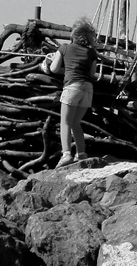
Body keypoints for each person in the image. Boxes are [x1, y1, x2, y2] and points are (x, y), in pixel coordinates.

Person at [41, 17, 97, 166]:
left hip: (72, 87)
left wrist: (50, 60)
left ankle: (66, 154)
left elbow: (53, 69)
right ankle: (82, 154)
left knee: (65, 122)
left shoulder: (64, 48)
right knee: (76, 122)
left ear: (74, 34)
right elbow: (92, 74)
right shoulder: (91, 53)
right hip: (87, 89)